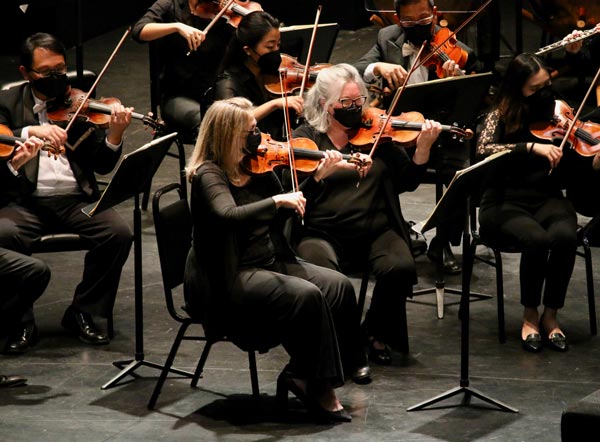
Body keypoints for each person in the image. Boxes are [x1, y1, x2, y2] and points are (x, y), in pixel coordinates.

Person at [183, 96, 370, 423]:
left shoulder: (257, 164)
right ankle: (319, 386)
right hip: (230, 275)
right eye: (250, 131)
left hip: (268, 261)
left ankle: (302, 372)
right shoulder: (208, 174)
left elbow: (289, 208)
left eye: (256, 129)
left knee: (338, 286)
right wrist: (276, 200)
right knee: (307, 295)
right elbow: (227, 214)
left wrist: (315, 180)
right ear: (228, 135)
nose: (258, 136)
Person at [291, 63, 442, 365]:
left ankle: (371, 332)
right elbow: (292, 195)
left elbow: (407, 181)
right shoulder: (306, 139)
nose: (355, 108)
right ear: (325, 104)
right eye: (346, 103)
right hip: (322, 233)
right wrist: (319, 177)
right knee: (331, 280)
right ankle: (340, 346)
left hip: (375, 229)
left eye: (359, 100)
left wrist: (422, 149)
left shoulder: (376, 134)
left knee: (399, 267)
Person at [0, 32, 134, 348]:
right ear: (25, 73)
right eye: (46, 73)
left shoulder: (80, 103)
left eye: (60, 70)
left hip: (76, 200)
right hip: (25, 203)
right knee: (3, 236)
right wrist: (30, 131)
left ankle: (84, 312)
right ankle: (19, 320)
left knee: (118, 234)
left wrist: (114, 135)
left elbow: (102, 165)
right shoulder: (6, 103)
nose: (55, 78)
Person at [475, 52, 600, 353]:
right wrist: (529, 147)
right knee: (536, 239)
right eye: (535, 88)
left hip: (548, 198)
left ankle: (551, 315)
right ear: (518, 88)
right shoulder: (500, 114)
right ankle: (530, 315)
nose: (544, 93)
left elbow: (573, 168)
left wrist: (593, 164)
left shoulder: (559, 113)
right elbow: (483, 149)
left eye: (546, 84)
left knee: (565, 236)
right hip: (504, 202)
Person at [354, 0, 481, 274]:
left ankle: (443, 242)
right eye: (409, 23)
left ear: (434, 14)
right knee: (376, 168)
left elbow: (475, 87)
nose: (418, 28)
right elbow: (358, 67)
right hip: (399, 130)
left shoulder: (457, 49)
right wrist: (379, 69)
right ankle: (395, 231)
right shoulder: (387, 38)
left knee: (462, 175)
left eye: (424, 21)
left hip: (442, 132)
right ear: (398, 20)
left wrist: (455, 80)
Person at [131, 0, 238, 142]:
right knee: (209, 125)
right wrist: (176, 26)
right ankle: (205, 164)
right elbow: (139, 30)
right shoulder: (170, 5)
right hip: (177, 96)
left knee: (239, 120)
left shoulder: (224, 13)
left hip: (216, 93)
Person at [214, 10, 304, 141]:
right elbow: (233, 122)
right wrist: (274, 104)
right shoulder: (228, 82)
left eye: (278, 45)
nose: (276, 51)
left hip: (276, 144)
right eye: (269, 47)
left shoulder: (274, 72)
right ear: (248, 50)